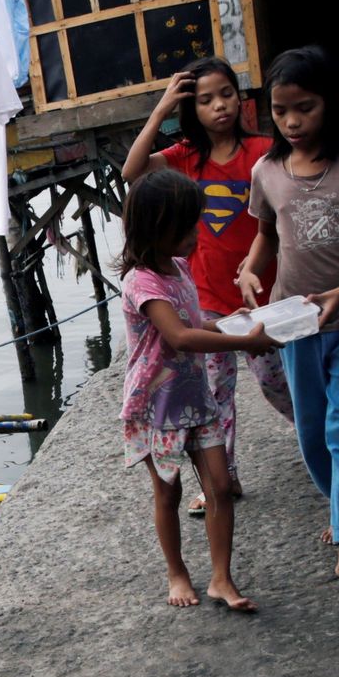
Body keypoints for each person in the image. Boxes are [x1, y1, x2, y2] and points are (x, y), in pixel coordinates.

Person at [237, 46, 339, 597]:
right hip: (294, 323)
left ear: (328, 102)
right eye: (280, 111)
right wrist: (249, 274)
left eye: (303, 107)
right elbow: (263, 236)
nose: (292, 122)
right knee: (312, 432)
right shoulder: (267, 170)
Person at [122, 57, 296, 515]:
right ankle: (226, 477)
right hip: (208, 310)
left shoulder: (262, 150)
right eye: (204, 100)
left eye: (226, 94)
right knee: (217, 397)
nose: (219, 106)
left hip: (260, 300)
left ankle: (325, 444)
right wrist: (159, 112)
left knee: (278, 386)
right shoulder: (184, 158)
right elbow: (132, 172)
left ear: (240, 98)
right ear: (190, 109)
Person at [118, 170, 278, 611]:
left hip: (197, 399)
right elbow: (180, 338)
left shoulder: (182, 268)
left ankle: (221, 579)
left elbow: (196, 327)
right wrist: (246, 343)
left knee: (220, 487)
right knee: (167, 493)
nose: (196, 235)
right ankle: (177, 572)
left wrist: (234, 326)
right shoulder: (142, 283)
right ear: (157, 228)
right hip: (157, 407)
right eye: (187, 227)